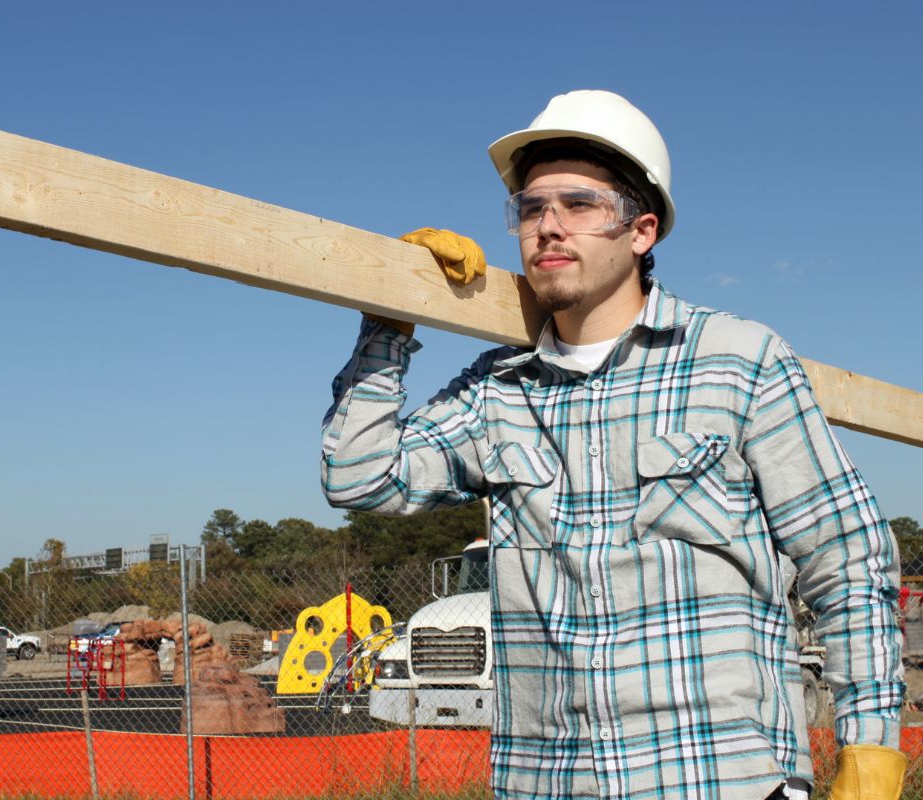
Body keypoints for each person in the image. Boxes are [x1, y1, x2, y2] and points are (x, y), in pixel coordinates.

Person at [321, 90, 906, 800]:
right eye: (531, 208)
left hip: (721, 779)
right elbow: (359, 477)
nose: (548, 226)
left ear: (642, 231)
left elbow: (845, 558)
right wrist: (390, 323)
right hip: (550, 782)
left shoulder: (737, 363)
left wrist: (871, 747)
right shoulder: (496, 394)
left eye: (579, 204)